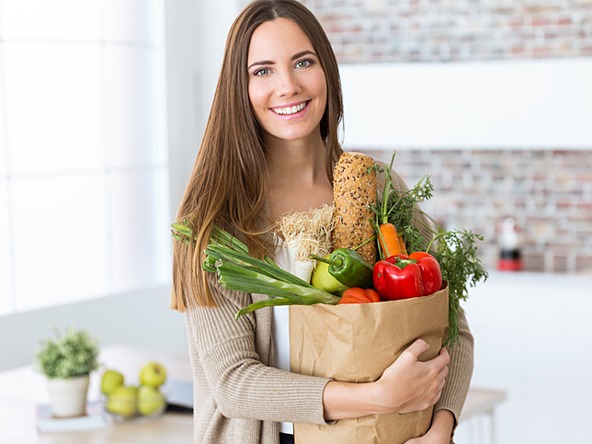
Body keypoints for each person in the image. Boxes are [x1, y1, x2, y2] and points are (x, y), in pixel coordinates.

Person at [171, 1, 473, 443]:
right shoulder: (216, 216)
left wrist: (441, 428)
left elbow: (453, 327)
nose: (288, 86)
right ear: (239, 87)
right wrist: (378, 397)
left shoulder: (381, 189)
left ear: (327, 71)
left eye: (303, 62)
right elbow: (233, 383)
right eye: (262, 71)